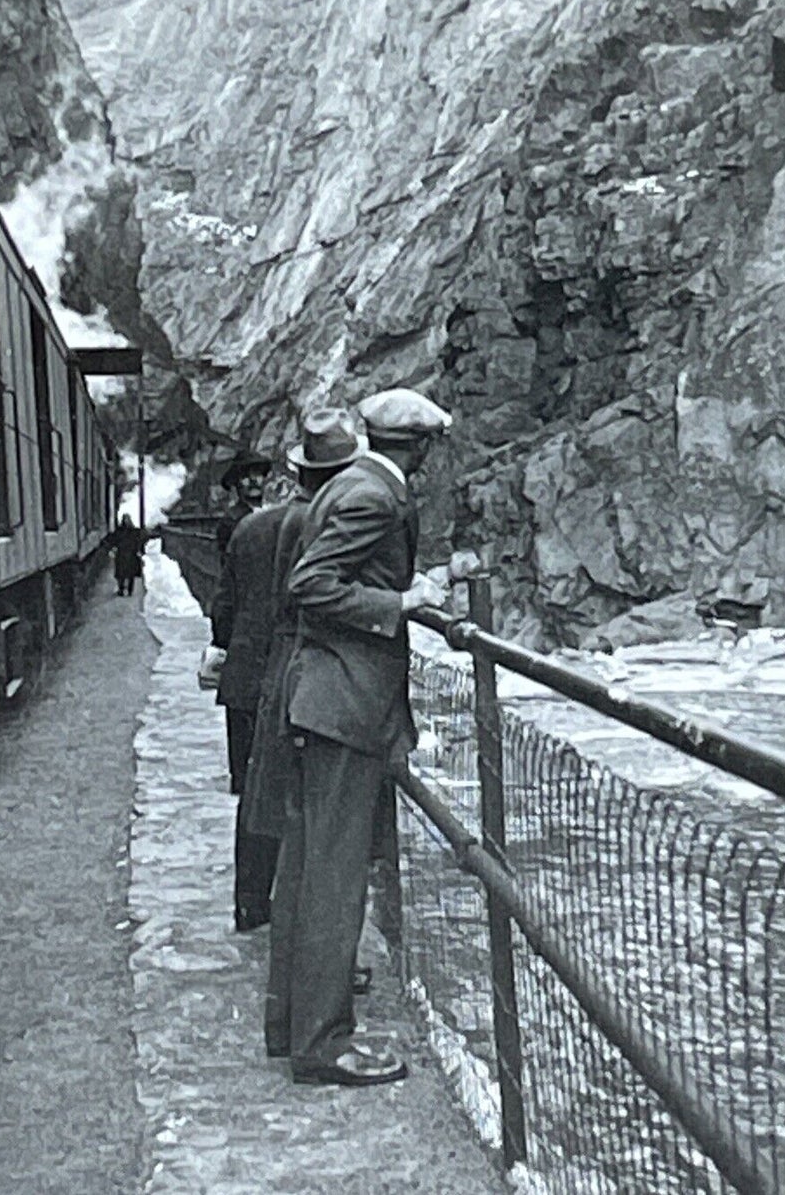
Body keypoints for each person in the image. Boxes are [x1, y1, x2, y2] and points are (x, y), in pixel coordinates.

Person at [269, 387, 450, 1087]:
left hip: (323, 698)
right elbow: (310, 584)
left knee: (313, 868)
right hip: (345, 703)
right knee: (336, 880)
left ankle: (294, 1022)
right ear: (421, 450)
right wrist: (399, 602)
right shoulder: (373, 495)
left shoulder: (350, 482)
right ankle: (321, 1044)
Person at [242, 409, 360, 974]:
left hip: (278, 670)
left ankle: (257, 914)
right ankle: (317, 967)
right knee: (314, 827)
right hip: (309, 677)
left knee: (276, 807)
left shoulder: (272, 522)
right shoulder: (319, 524)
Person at [208, 451, 302, 931]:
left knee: (252, 791)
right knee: (299, 795)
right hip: (290, 676)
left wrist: (226, 650)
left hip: (246, 676)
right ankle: (291, 907)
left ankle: (250, 902)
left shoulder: (243, 530)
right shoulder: (314, 528)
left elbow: (222, 606)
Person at [215, 450, 271, 559]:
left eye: (257, 472)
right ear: (236, 482)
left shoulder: (273, 512)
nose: (253, 479)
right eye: (245, 475)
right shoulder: (231, 520)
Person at [111, 513, 151, 596]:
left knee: (126, 574)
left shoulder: (124, 531)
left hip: (127, 554)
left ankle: (126, 590)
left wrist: (139, 550)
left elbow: (139, 540)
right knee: (125, 574)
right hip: (125, 554)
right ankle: (123, 590)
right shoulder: (130, 531)